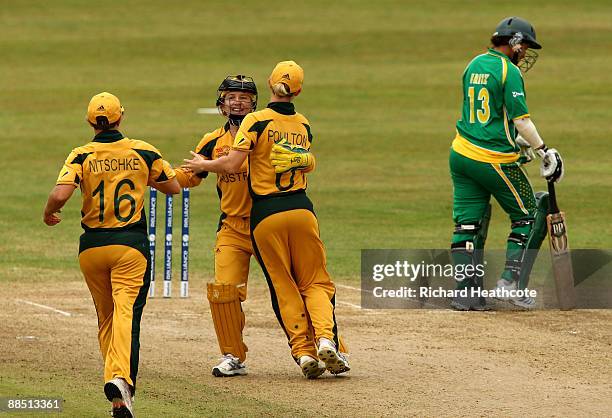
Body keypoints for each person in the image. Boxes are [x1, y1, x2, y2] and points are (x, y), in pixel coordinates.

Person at [182, 61, 350, 378]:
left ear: (257, 101)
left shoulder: (259, 126)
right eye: (231, 96)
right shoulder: (213, 140)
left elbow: (230, 164)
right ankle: (233, 355)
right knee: (224, 290)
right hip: (235, 227)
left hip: (264, 219)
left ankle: (325, 347)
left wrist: (208, 166)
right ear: (221, 103)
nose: (237, 101)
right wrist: (163, 176)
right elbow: (189, 174)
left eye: (244, 97)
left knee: (294, 286)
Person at [43, 92, 179, 417]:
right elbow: (173, 186)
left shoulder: (81, 155)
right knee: (125, 313)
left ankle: (118, 395)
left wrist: (50, 213)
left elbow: (60, 192)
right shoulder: (143, 151)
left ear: (91, 121)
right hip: (129, 246)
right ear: (121, 117)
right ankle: (119, 377)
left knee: (105, 317)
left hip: (91, 248)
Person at [449, 17, 564, 311]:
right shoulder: (508, 71)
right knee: (528, 215)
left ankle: (465, 294)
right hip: (493, 160)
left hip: (461, 154)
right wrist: (542, 149)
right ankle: (509, 284)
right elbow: (520, 120)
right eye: (524, 45)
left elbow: (486, 116)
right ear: (513, 43)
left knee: (466, 225)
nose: (525, 52)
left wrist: (516, 141)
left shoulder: (473, 64)